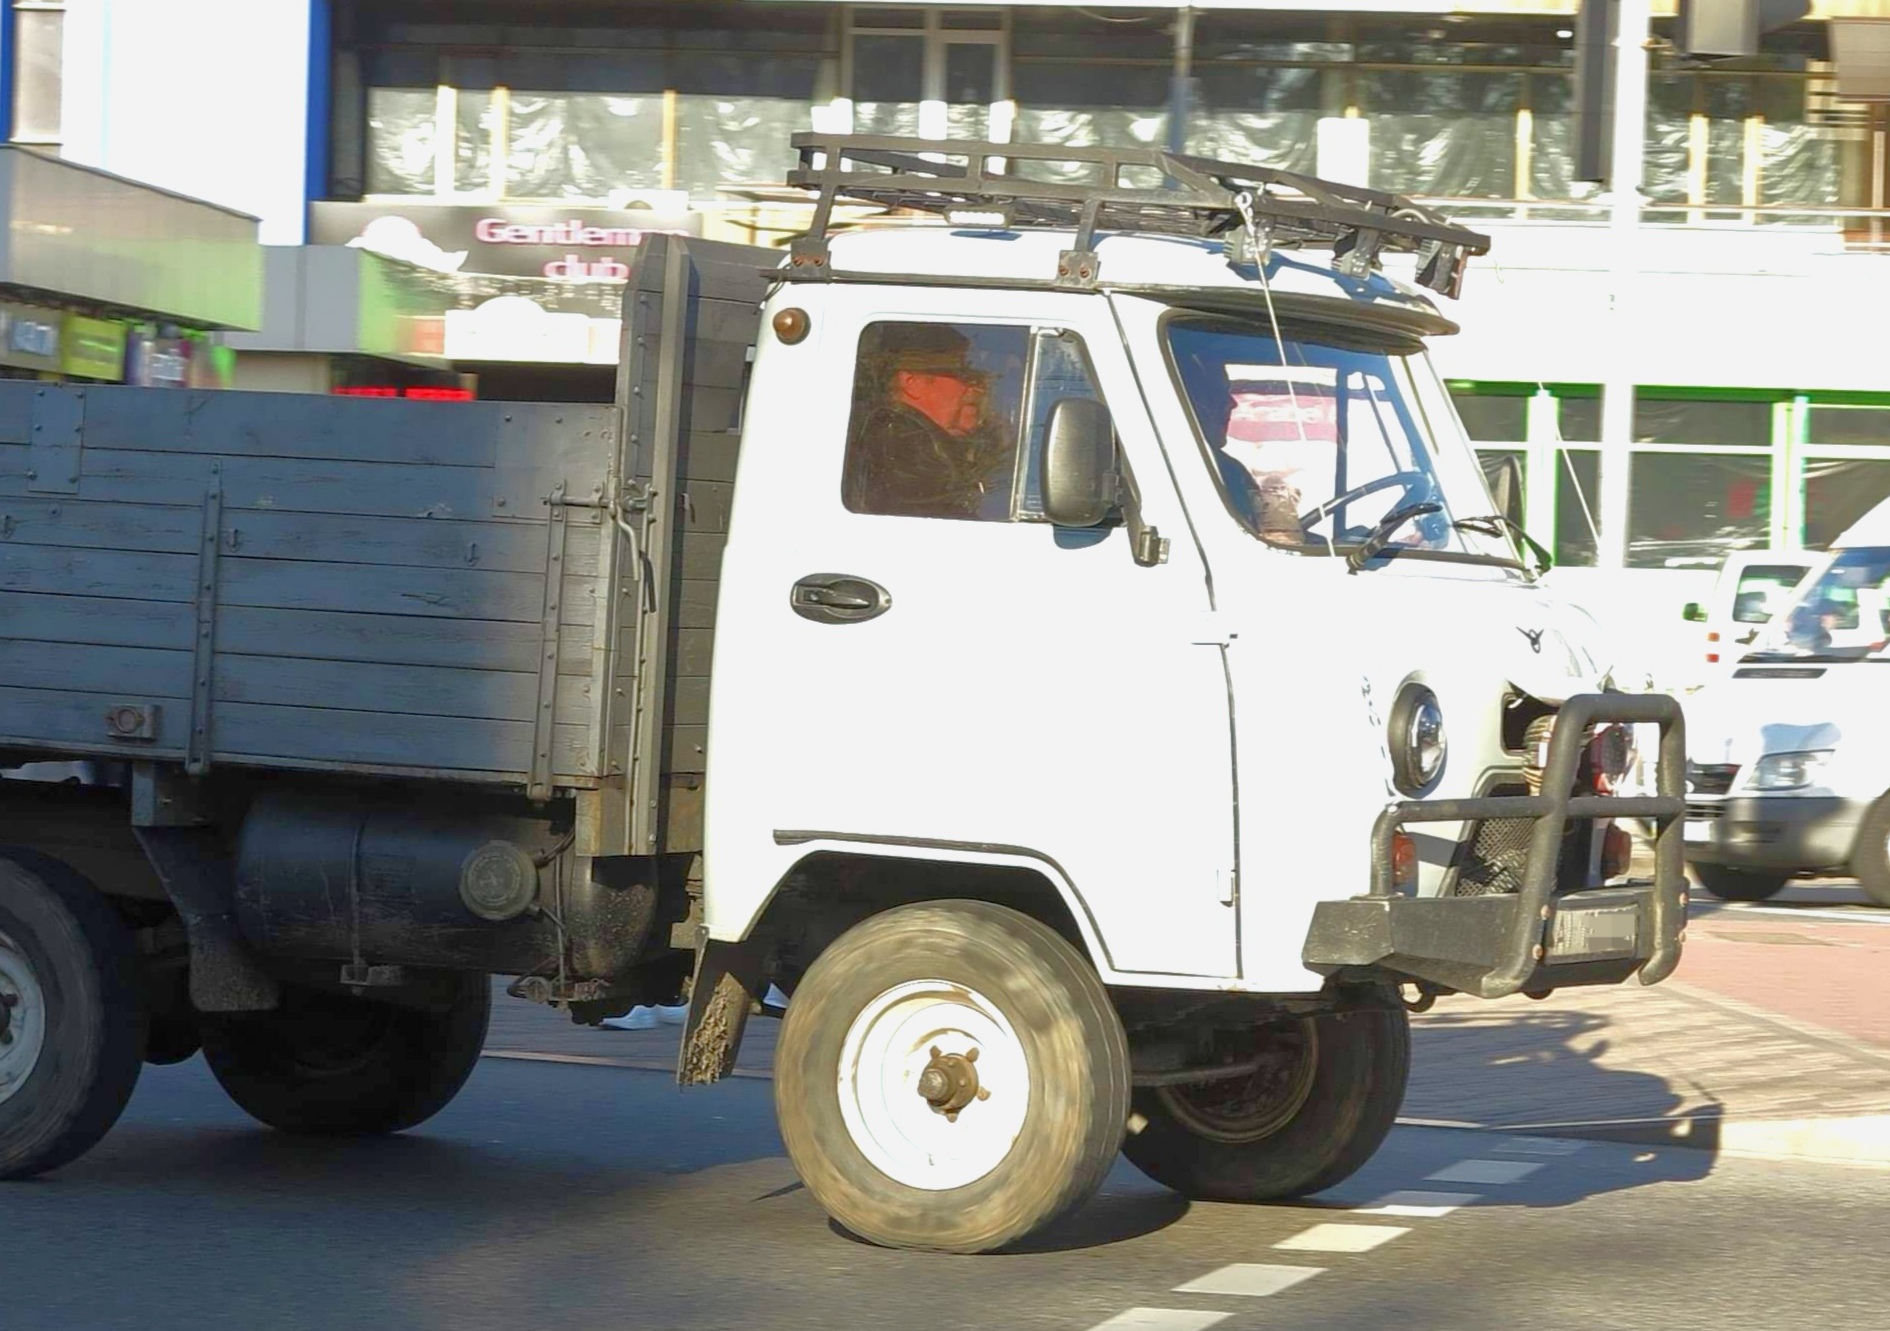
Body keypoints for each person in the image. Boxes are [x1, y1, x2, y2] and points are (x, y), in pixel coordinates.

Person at [844, 323, 1015, 519]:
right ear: (912, 383)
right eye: (962, 374)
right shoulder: (901, 450)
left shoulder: (923, 445)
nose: (977, 388)